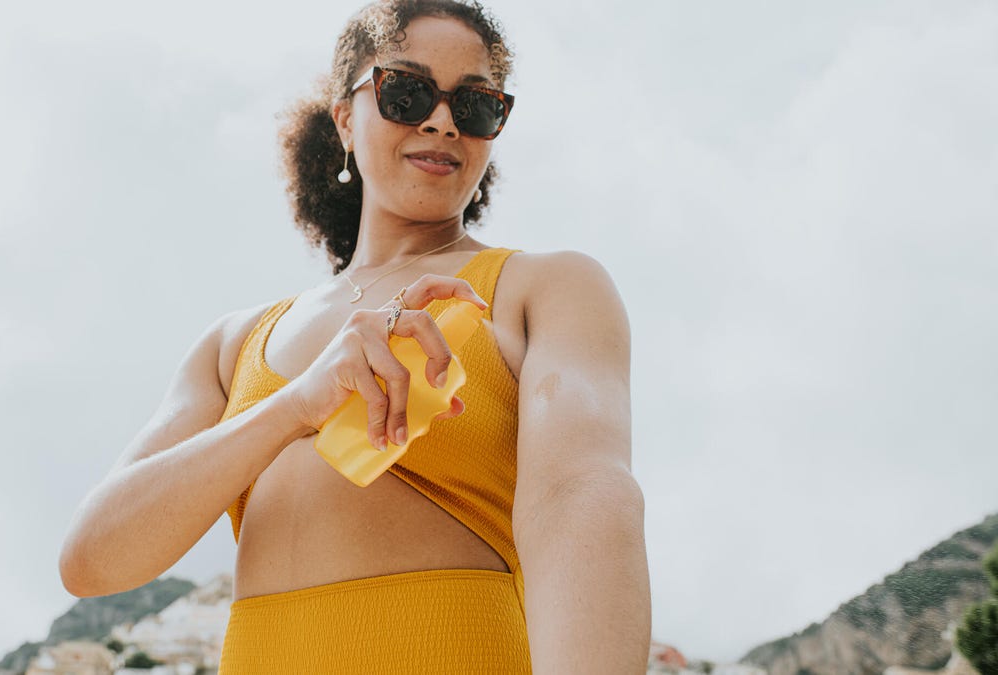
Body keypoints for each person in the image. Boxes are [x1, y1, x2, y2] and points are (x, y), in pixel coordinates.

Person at [58, 0, 650, 672]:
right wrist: (293, 406)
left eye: (475, 105)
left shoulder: (545, 289)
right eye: (407, 92)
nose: (441, 121)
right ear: (344, 117)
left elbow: (582, 498)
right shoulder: (232, 346)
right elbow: (91, 560)